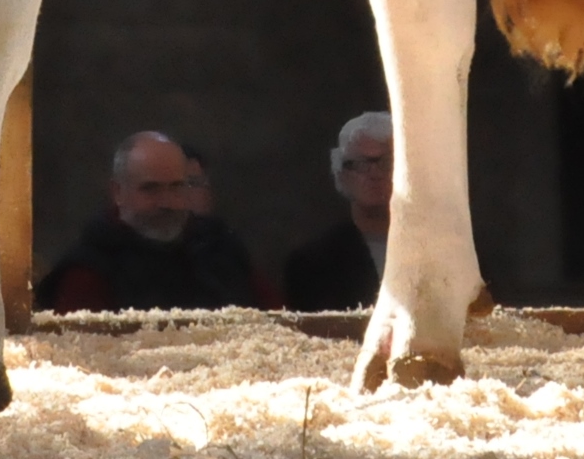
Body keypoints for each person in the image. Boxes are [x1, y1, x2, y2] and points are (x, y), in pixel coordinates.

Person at [37, 131, 270, 314]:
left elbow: (278, 323)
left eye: (176, 187)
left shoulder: (219, 247)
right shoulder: (89, 271)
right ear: (118, 192)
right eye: (151, 189)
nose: (167, 203)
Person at [284, 111, 394, 311]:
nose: (374, 174)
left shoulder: (441, 246)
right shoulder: (313, 263)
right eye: (360, 164)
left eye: (386, 162)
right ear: (341, 174)